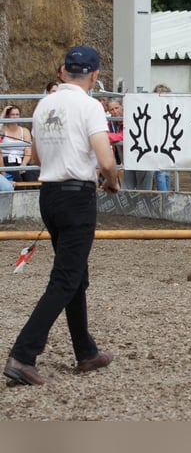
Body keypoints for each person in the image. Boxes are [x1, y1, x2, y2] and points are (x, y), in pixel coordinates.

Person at [3, 44, 120, 386]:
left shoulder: (43, 105)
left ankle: (85, 352)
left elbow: (36, 154)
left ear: (62, 72)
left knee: (75, 276)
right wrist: (111, 182)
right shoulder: (89, 107)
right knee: (65, 279)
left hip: (49, 195)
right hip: (77, 197)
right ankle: (23, 354)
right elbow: (106, 158)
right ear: (95, 75)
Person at [1, 104, 38, 182]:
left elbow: (28, 151)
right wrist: (3, 113)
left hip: (21, 160)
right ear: (7, 116)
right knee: (18, 179)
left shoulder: (24, 131)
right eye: (12, 114)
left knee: (31, 177)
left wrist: (23, 164)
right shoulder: (3, 130)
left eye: (17, 114)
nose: (15, 117)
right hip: (7, 160)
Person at [152, 84, 172, 191]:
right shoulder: (155, 109)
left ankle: (165, 196)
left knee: (166, 172)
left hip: (166, 142)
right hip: (158, 143)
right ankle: (164, 197)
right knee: (161, 172)